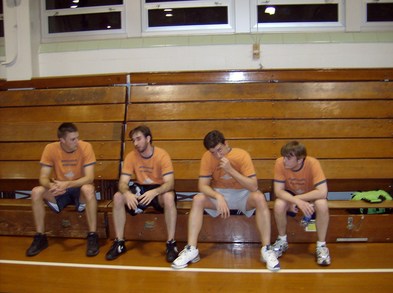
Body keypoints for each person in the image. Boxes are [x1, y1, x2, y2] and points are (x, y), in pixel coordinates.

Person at [172, 130, 280, 271]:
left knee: (260, 197)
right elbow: (202, 186)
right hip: (220, 194)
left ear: (226, 143)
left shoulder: (241, 155)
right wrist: (218, 196)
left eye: (219, 150)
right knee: (198, 199)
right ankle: (192, 249)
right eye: (213, 152)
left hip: (243, 194)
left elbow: (254, 186)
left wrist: (231, 170)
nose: (217, 155)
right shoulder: (207, 157)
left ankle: (266, 249)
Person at [105, 125, 178, 262]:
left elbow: (170, 184)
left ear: (148, 139)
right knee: (118, 196)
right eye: (133, 140)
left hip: (159, 189)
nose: (135, 143)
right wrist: (127, 193)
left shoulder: (162, 155)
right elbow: (122, 183)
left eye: (138, 139)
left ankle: (171, 243)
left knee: (169, 197)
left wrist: (154, 192)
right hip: (141, 189)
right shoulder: (131, 156)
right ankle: (120, 243)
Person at [26, 122, 99, 257]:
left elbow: (89, 178)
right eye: (72, 139)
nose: (77, 141)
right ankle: (40, 237)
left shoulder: (86, 147)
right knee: (36, 191)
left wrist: (68, 184)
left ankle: (93, 235)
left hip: (79, 188)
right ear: (62, 140)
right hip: (60, 190)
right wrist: (51, 186)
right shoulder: (50, 148)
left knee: (89, 189)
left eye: (77, 137)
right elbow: (43, 178)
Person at [272, 141, 331, 266]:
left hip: (309, 194)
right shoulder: (279, 163)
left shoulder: (313, 163)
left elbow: (323, 192)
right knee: (279, 204)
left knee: (322, 204)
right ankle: (282, 241)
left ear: (300, 160)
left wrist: (299, 199)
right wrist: (296, 201)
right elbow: (278, 191)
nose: (284, 161)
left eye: (288, 158)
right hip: (291, 195)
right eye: (284, 156)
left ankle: (321, 246)